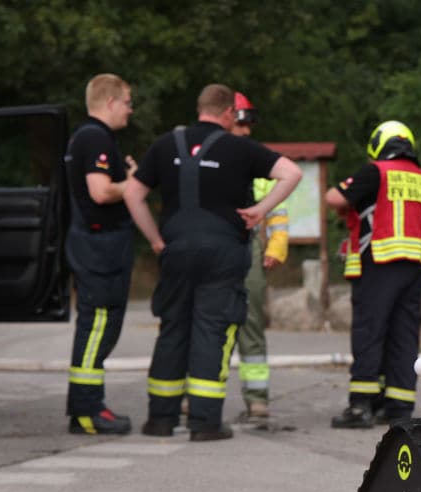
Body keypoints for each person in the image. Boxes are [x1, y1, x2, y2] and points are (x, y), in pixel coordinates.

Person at [123, 84, 302, 441]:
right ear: (228, 113)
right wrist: (260, 210)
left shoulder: (165, 145)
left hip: (176, 251)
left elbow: (133, 193)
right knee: (212, 330)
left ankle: (160, 419)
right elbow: (291, 173)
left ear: (200, 108)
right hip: (223, 254)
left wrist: (155, 239)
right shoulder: (240, 148)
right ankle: (204, 423)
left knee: (173, 329)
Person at [325, 120, 421, 429]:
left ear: (378, 146)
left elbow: (334, 198)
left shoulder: (376, 172)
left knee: (370, 331)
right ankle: (398, 406)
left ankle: (361, 406)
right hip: (414, 267)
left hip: (379, 263)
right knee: (403, 335)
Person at [64, 73, 137, 435]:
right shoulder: (95, 137)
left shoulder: (89, 136)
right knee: (97, 326)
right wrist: (134, 183)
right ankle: (87, 411)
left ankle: (87, 406)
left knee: (100, 325)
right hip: (99, 247)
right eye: (127, 102)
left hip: (97, 245)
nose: (130, 109)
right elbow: (101, 191)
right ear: (110, 102)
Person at [230, 92, 290, 423]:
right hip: (218, 247)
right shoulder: (210, 156)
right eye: (241, 123)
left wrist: (276, 248)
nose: (247, 131)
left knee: (250, 323)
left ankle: (257, 401)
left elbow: (278, 215)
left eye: (248, 124)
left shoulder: (259, 165)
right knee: (206, 323)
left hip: (250, 247)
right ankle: (194, 399)